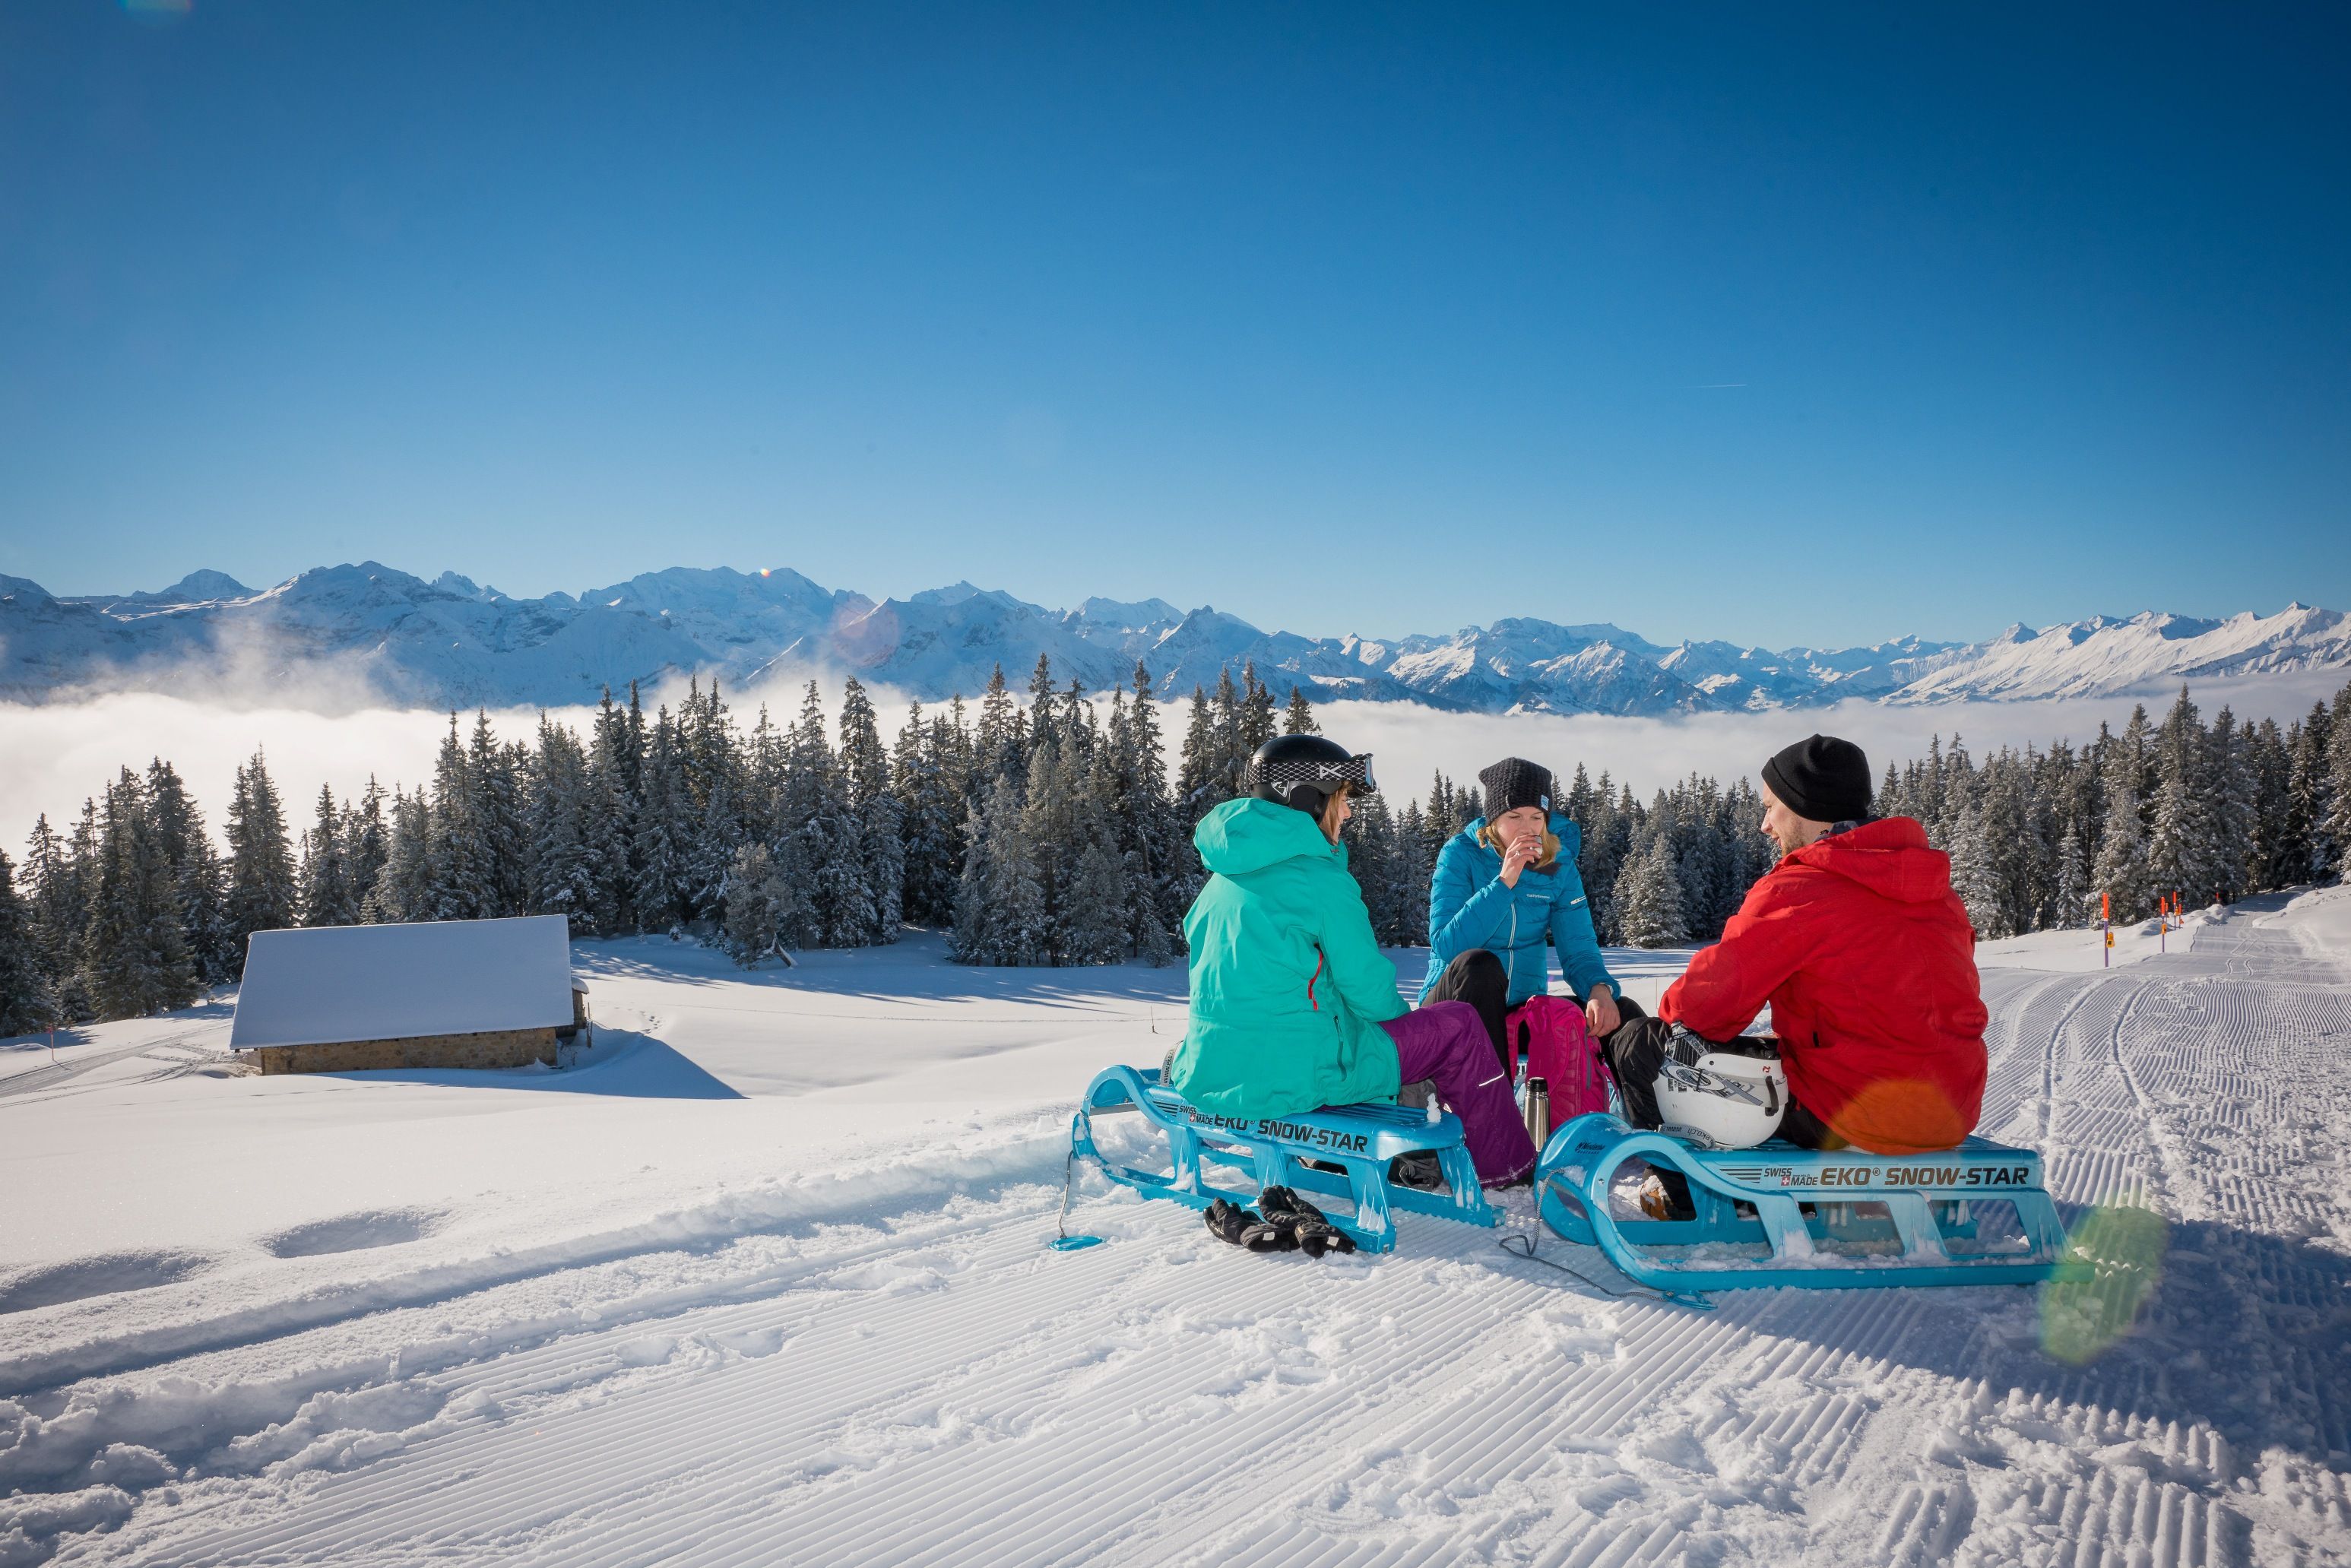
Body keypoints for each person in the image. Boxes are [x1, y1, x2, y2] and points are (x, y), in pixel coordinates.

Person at [1605, 734, 1989, 1214]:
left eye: (1771, 807)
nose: (1765, 824)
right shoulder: (1934, 889)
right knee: (1778, 1053)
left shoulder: (1801, 888)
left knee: (1642, 1042)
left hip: (1857, 1114)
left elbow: (1700, 1011)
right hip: (1949, 1110)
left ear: (1806, 807)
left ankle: (1691, 1199)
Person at [1168, 733, 1537, 1189]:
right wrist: (1407, 1035)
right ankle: (1509, 1169)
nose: (1347, 813)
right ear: (1307, 799)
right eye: (1341, 799)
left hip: (1215, 1066)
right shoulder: (1319, 879)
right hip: (1297, 1073)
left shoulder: (1220, 881)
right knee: (1457, 1025)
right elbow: (1370, 993)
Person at [1421, 758, 1623, 1069]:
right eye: (1514, 816)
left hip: (1520, 1009)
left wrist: (1599, 988)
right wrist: (1504, 883)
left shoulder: (1559, 864)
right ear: (1493, 819)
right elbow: (1447, 946)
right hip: (1454, 1006)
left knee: (1620, 1014)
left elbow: (1578, 947)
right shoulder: (1460, 854)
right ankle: (1494, 1099)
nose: (1527, 828)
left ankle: (1641, 1102)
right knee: (1479, 965)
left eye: (1536, 817)